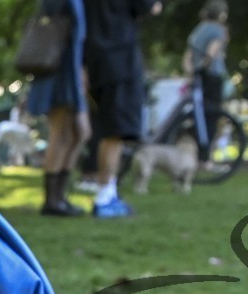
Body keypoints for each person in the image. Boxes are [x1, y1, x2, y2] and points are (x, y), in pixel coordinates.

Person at [83, 0, 161, 218]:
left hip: (94, 62)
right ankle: (105, 197)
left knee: (106, 130)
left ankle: (108, 192)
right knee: (115, 133)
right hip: (120, 61)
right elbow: (150, 7)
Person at [27, 0, 88, 215]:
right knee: (61, 134)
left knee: (78, 134)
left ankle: (59, 196)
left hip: (69, 75)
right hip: (59, 76)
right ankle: (52, 200)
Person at [184, 0, 228, 169]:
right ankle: (206, 159)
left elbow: (188, 56)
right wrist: (204, 66)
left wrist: (192, 72)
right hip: (212, 77)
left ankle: (196, 157)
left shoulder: (197, 30)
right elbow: (212, 51)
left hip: (197, 77)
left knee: (199, 117)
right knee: (212, 117)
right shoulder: (218, 30)